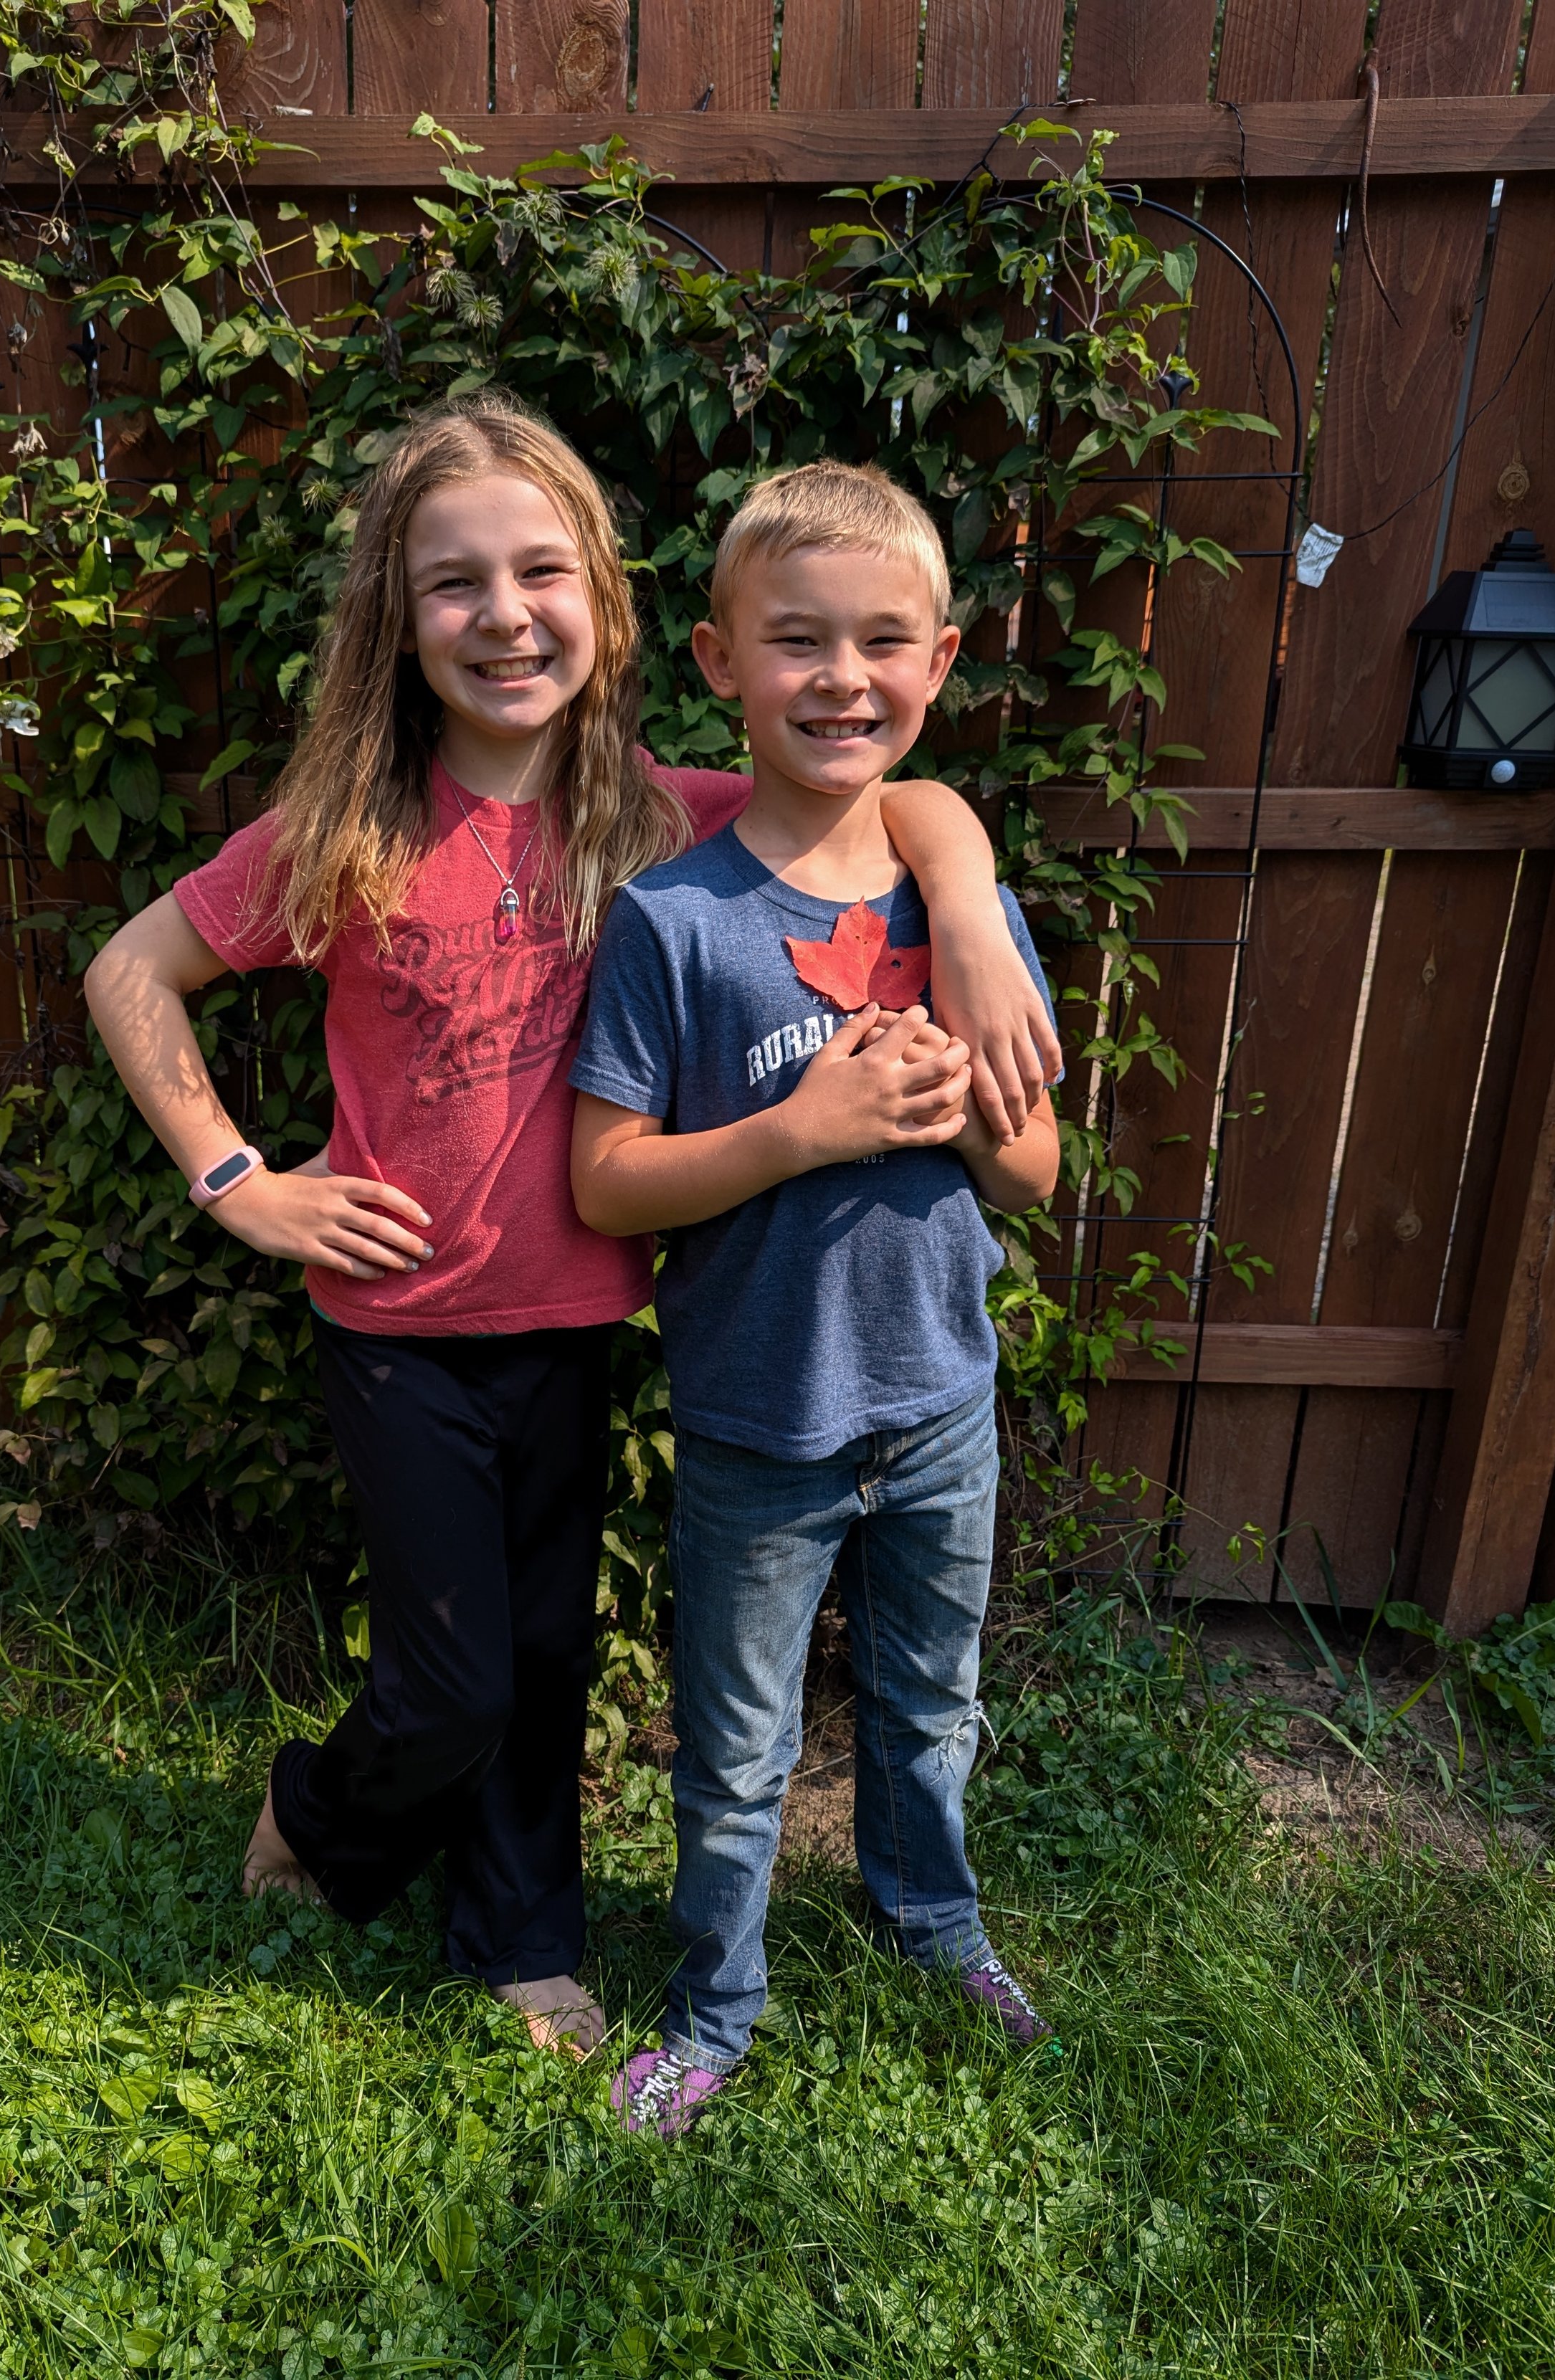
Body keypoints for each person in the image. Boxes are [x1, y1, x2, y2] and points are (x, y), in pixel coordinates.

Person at [84, 396, 1057, 2058]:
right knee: (450, 1682)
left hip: (582, 1321)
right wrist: (241, 1180)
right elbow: (129, 972)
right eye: (455, 582)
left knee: (537, 1659)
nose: (504, 612)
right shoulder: (339, 832)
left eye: (542, 570)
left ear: (603, 605)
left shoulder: (661, 816)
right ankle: (320, 1810)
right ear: (398, 616)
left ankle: (521, 1946)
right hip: (395, 1332)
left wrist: (962, 907)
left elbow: (889, 799)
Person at [570, 458, 1062, 2133]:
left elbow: (1036, 1177)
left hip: (936, 1406)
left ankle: (935, 1920)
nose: (838, 677)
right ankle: (714, 2006)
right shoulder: (670, 921)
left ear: (937, 664)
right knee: (737, 1753)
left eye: (879, 642)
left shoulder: (964, 910)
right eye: (795, 641)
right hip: (754, 1421)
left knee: (930, 1706)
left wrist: (965, 1098)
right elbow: (604, 1181)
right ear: (718, 663)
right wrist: (803, 1127)